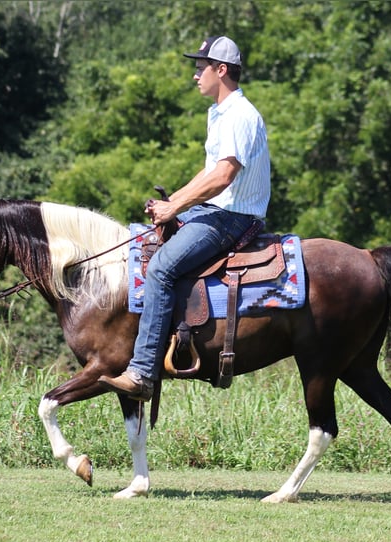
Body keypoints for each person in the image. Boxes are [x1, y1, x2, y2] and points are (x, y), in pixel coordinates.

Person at [98, 35, 271, 401]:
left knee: (160, 268)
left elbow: (224, 177)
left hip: (232, 217)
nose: (195, 75)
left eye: (200, 67)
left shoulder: (240, 115)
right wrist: (171, 202)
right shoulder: (220, 113)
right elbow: (209, 173)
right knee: (149, 243)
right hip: (216, 210)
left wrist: (174, 208)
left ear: (220, 70)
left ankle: (142, 372)